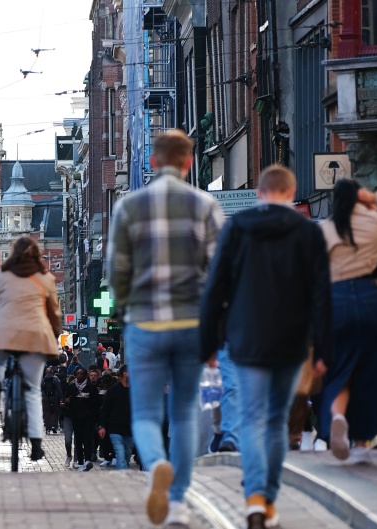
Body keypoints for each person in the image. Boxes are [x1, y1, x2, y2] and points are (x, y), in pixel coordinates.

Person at [201, 165, 331, 529]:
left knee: (253, 419)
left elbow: (216, 289)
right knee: (276, 422)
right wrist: (323, 349)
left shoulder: (237, 229)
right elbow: (321, 293)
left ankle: (255, 496)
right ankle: (268, 499)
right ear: (290, 193)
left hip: (246, 339)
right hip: (292, 340)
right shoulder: (308, 232)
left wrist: (209, 342)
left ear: (259, 193)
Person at [106, 129, 224, 526]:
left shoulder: (129, 207)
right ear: (189, 162)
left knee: (145, 412)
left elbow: (116, 271)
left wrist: (123, 311)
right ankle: (176, 502)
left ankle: (155, 463)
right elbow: (218, 275)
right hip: (192, 323)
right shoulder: (205, 205)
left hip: (145, 322)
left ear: (153, 162)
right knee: (185, 412)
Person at [317, 179, 377, 464]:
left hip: (336, 300)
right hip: (372, 296)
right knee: (369, 369)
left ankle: (337, 416)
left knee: (338, 369)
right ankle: (362, 441)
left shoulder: (325, 229)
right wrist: (372, 197)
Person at [0, 235, 63, 462]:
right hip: (36, 336)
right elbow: (54, 313)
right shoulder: (46, 279)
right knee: (33, 390)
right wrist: (54, 333)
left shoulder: (0, 276)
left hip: (3, 333)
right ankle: (35, 443)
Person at [63, 367, 99, 471]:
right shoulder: (72, 387)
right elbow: (65, 400)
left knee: (87, 439)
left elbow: (96, 403)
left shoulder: (91, 387)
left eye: (82, 374)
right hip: (76, 417)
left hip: (88, 418)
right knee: (78, 440)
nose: (80, 376)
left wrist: (88, 401)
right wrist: (67, 401)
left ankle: (87, 460)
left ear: (85, 375)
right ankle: (80, 462)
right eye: (78, 374)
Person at [100, 364, 133, 469]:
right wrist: (102, 426)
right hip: (115, 428)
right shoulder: (113, 391)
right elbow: (105, 409)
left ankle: (123, 473)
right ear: (125, 373)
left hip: (130, 429)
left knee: (127, 454)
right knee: (120, 454)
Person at [42, 367, 63, 435]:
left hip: (45, 398)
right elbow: (59, 389)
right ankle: (54, 426)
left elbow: (40, 388)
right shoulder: (55, 379)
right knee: (54, 412)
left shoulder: (43, 379)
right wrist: (61, 398)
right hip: (55, 398)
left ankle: (48, 429)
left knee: (47, 413)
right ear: (52, 372)